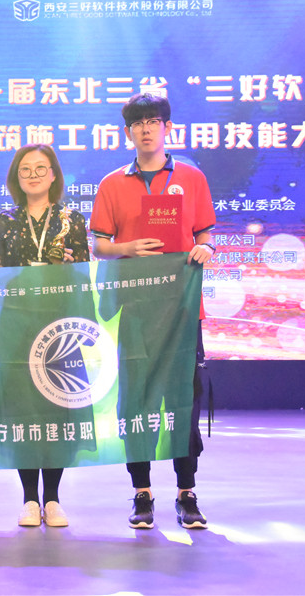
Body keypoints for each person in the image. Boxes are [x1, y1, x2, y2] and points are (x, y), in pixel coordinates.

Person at [89, 93, 215, 530]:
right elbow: (99, 244)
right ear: (127, 132)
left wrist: (205, 248)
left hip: (182, 309)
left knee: (184, 399)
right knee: (136, 400)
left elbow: (206, 235)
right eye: (138, 123)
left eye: (154, 121)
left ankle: (186, 492)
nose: (146, 129)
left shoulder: (192, 178)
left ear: (167, 127)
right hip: (135, 307)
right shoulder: (112, 183)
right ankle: (141, 492)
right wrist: (126, 248)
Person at [0, 144, 90, 528]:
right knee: (23, 409)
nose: (33, 175)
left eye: (40, 168)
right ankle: (29, 498)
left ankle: (54, 498)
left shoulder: (72, 219)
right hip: (17, 322)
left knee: (56, 407)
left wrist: (70, 266)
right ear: (16, 177)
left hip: (59, 322)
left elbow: (84, 275)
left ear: (54, 175)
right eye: (25, 169)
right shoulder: (5, 220)